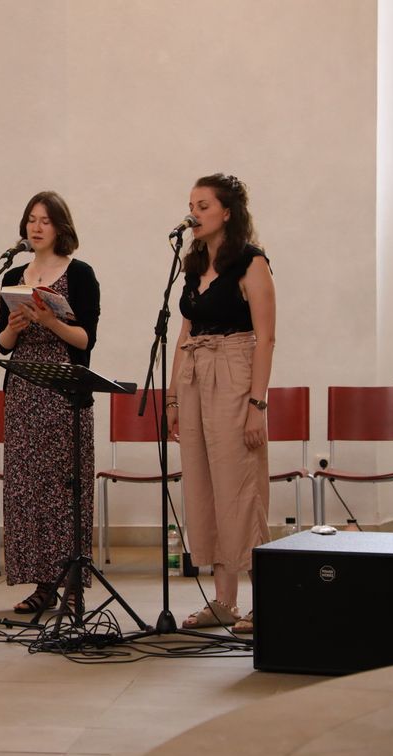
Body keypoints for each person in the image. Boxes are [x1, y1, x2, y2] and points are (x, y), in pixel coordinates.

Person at [166, 173, 276, 634]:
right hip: (193, 375)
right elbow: (184, 332)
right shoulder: (191, 266)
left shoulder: (252, 263)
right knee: (205, 488)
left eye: (204, 205)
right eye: (192, 204)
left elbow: (266, 339)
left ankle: (264, 601)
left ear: (228, 212)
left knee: (239, 486)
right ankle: (224, 601)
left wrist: (257, 405)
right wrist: (172, 396)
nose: (194, 213)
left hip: (234, 371)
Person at [0, 191, 100, 614]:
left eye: (45, 221)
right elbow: (0, 341)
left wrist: (51, 321)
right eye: (31, 220)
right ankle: (42, 585)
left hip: (63, 390)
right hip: (24, 390)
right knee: (28, 490)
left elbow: (86, 340)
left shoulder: (80, 273)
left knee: (66, 487)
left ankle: (72, 584)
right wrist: (17, 326)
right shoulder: (14, 275)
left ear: (61, 228)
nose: (36, 228)